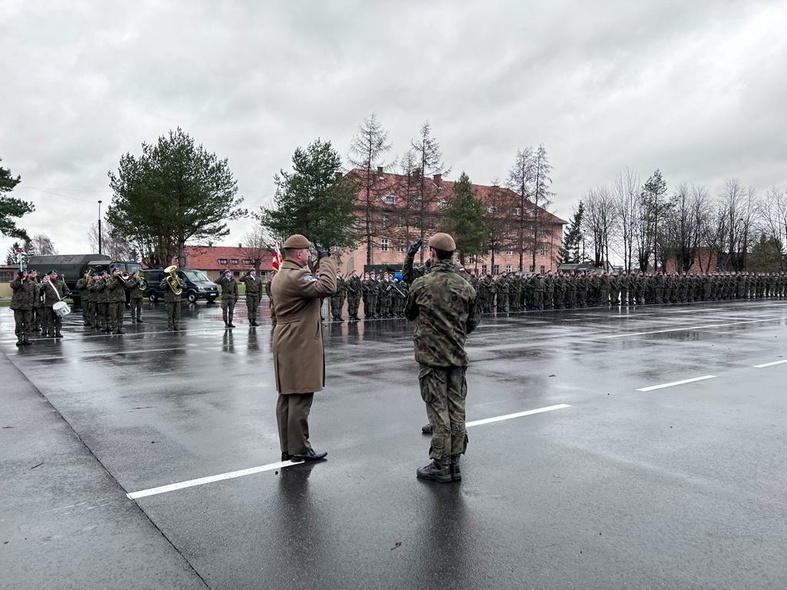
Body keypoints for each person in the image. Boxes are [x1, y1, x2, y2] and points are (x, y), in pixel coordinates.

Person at [405, 232, 481, 483]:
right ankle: (455, 463)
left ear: (433, 253)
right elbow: (473, 322)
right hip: (457, 357)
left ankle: (441, 464)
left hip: (431, 359)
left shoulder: (422, 284)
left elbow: (409, 314)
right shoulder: (466, 286)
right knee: (457, 410)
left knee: (438, 411)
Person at [271, 234, 336, 462]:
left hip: (286, 340)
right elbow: (328, 286)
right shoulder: (298, 276)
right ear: (299, 253)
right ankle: (300, 449)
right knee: (300, 396)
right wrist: (327, 260)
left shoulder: (281, 275)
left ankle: (289, 447)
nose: (310, 255)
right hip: (299, 343)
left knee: (287, 397)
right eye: (308, 252)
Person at [10, 269, 35, 346]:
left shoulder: (31, 283)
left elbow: (35, 294)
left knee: (28, 323)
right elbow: (13, 286)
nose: (25, 274)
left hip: (28, 306)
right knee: (18, 323)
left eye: (25, 273)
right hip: (18, 306)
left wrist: (35, 304)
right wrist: (19, 278)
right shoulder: (16, 282)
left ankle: (26, 338)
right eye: (23, 273)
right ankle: (20, 339)